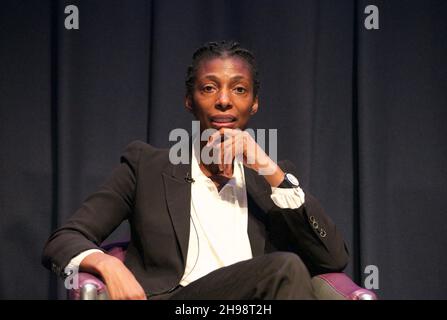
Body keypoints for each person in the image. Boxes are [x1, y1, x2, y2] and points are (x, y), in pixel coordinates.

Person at [42, 41, 349, 300]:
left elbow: (333, 258)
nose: (224, 101)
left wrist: (270, 170)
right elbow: (64, 238)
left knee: (287, 270)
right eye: (209, 88)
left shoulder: (273, 182)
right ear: (190, 100)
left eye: (239, 89)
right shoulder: (145, 166)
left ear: (254, 103)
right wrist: (109, 265)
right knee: (285, 268)